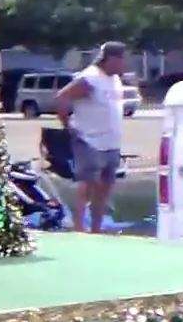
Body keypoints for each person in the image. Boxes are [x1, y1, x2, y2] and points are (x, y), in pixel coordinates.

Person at [54, 41, 128, 233]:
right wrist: (67, 125)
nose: (123, 63)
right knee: (87, 185)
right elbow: (62, 97)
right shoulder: (90, 78)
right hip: (89, 141)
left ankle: (96, 228)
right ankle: (79, 227)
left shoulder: (114, 79)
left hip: (111, 143)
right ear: (108, 59)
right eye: (120, 58)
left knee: (104, 188)